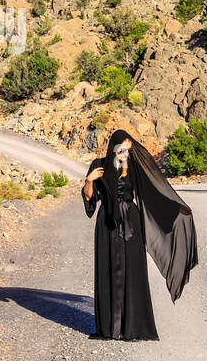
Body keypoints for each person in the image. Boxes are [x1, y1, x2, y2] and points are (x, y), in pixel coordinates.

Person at [82, 129, 199, 340]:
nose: (125, 155)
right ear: (113, 148)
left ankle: (133, 327)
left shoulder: (133, 168)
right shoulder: (98, 166)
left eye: (128, 151)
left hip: (131, 222)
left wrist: (178, 208)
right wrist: (89, 180)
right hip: (107, 223)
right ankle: (109, 328)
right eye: (121, 151)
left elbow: (153, 193)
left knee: (133, 271)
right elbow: (90, 199)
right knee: (108, 269)